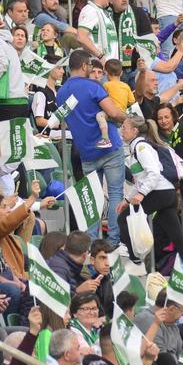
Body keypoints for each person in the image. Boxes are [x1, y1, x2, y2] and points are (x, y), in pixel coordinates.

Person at [58, 49, 127, 243]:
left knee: (91, 198)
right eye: (89, 65)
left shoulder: (61, 92)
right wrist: (126, 119)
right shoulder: (93, 86)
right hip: (110, 148)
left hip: (86, 153)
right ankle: (113, 241)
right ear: (83, 66)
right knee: (115, 193)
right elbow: (113, 112)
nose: (91, 69)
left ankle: (90, 242)